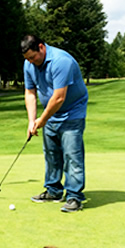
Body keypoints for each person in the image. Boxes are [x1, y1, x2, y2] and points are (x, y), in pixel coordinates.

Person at [21, 35, 89, 213]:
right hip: (50, 113)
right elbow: (30, 93)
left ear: (41, 47)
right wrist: (31, 121)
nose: (30, 62)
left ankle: (74, 196)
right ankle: (53, 190)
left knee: (71, 155)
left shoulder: (61, 61)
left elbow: (59, 98)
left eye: (33, 57)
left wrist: (41, 120)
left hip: (72, 111)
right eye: (27, 59)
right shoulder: (29, 64)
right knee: (51, 154)